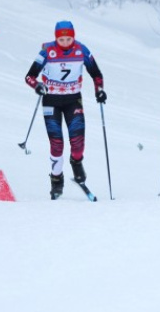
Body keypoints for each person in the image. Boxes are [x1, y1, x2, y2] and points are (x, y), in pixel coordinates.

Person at [24, 21, 107, 200]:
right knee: (57, 144)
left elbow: (96, 73)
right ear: (56, 38)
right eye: (61, 39)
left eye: (68, 38)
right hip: (51, 101)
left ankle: (76, 162)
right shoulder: (47, 51)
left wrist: (99, 91)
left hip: (73, 100)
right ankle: (56, 180)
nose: (65, 42)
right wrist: (37, 85)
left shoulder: (81, 50)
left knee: (78, 142)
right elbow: (29, 76)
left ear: (73, 37)